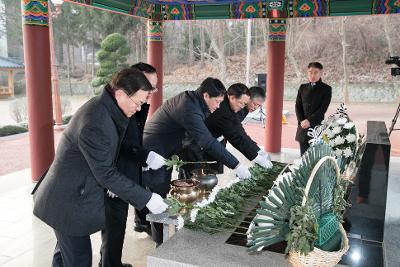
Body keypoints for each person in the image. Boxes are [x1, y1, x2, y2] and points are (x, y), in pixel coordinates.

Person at [32, 68, 168, 267]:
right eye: (138, 102)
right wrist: (147, 198)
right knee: (79, 260)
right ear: (120, 93)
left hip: (70, 192)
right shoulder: (96, 120)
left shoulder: (108, 108)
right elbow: (105, 173)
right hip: (67, 200)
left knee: (64, 256)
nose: (139, 108)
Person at [142, 77, 252, 245]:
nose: (217, 106)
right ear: (206, 95)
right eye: (216, 101)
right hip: (155, 149)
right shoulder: (189, 107)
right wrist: (236, 165)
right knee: (158, 193)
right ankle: (160, 244)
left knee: (164, 193)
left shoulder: (195, 101)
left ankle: (163, 232)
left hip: (169, 147)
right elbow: (207, 141)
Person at [99, 63, 160, 267]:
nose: (151, 92)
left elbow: (131, 141)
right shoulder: (111, 111)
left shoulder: (137, 105)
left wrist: (145, 157)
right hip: (112, 177)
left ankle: (111, 262)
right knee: (113, 226)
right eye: (148, 86)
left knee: (116, 224)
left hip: (122, 173)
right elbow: (119, 144)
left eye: (154, 87)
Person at [180, 83, 272, 176]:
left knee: (209, 176)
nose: (255, 107)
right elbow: (236, 136)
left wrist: (257, 150)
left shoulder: (240, 107)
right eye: (254, 103)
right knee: (192, 177)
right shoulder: (224, 110)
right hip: (196, 143)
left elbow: (239, 131)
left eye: (258, 106)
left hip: (214, 141)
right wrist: (254, 158)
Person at [295, 62, 332, 155]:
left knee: (316, 157)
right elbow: (297, 106)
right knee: (303, 157)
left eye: (316, 72)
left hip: (317, 126)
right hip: (303, 127)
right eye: (310, 72)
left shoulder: (326, 89)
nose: (312, 75)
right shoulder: (302, 87)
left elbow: (323, 109)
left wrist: (309, 120)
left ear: (321, 73)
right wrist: (302, 120)